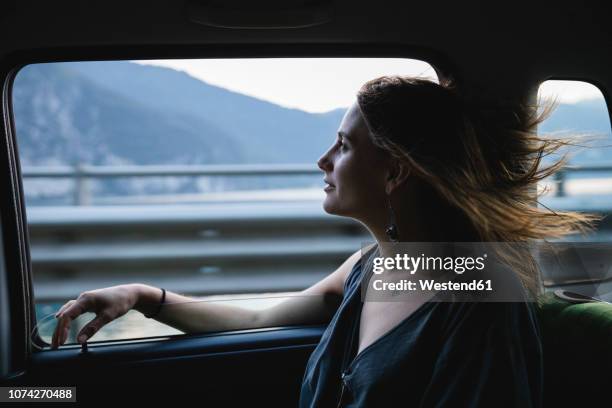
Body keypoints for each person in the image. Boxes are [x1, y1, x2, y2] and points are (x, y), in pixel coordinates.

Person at [51, 75, 594, 407]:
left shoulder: (477, 294)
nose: (323, 162)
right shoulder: (372, 267)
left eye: (343, 145)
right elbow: (261, 321)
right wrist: (146, 298)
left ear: (395, 173)